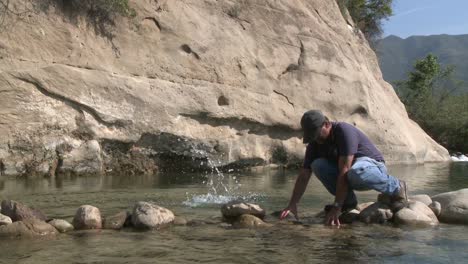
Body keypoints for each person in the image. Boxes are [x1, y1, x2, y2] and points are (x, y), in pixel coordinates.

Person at [280, 110, 408, 226]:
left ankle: (397, 186)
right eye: (312, 135)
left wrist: (336, 206)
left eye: (317, 134)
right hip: (351, 173)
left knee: (355, 171)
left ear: (327, 124)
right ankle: (349, 203)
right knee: (317, 165)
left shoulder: (343, 131)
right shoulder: (314, 144)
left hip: (371, 167)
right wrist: (292, 204)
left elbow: (344, 170)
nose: (315, 138)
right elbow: (304, 175)